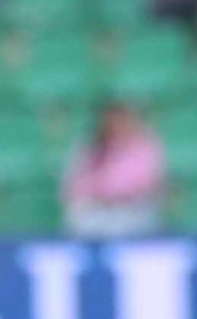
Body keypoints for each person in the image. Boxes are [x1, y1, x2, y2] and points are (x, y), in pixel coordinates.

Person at [63, 99, 167, 237]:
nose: (116, 124)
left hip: (131, 208)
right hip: (98, 208)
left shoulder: (144, 145)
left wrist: (112, 191)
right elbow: (76, 184)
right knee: (81, 213)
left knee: (132, 217)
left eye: (121, 119)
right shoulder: (91, 145)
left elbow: (146, 182)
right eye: (112, 120)